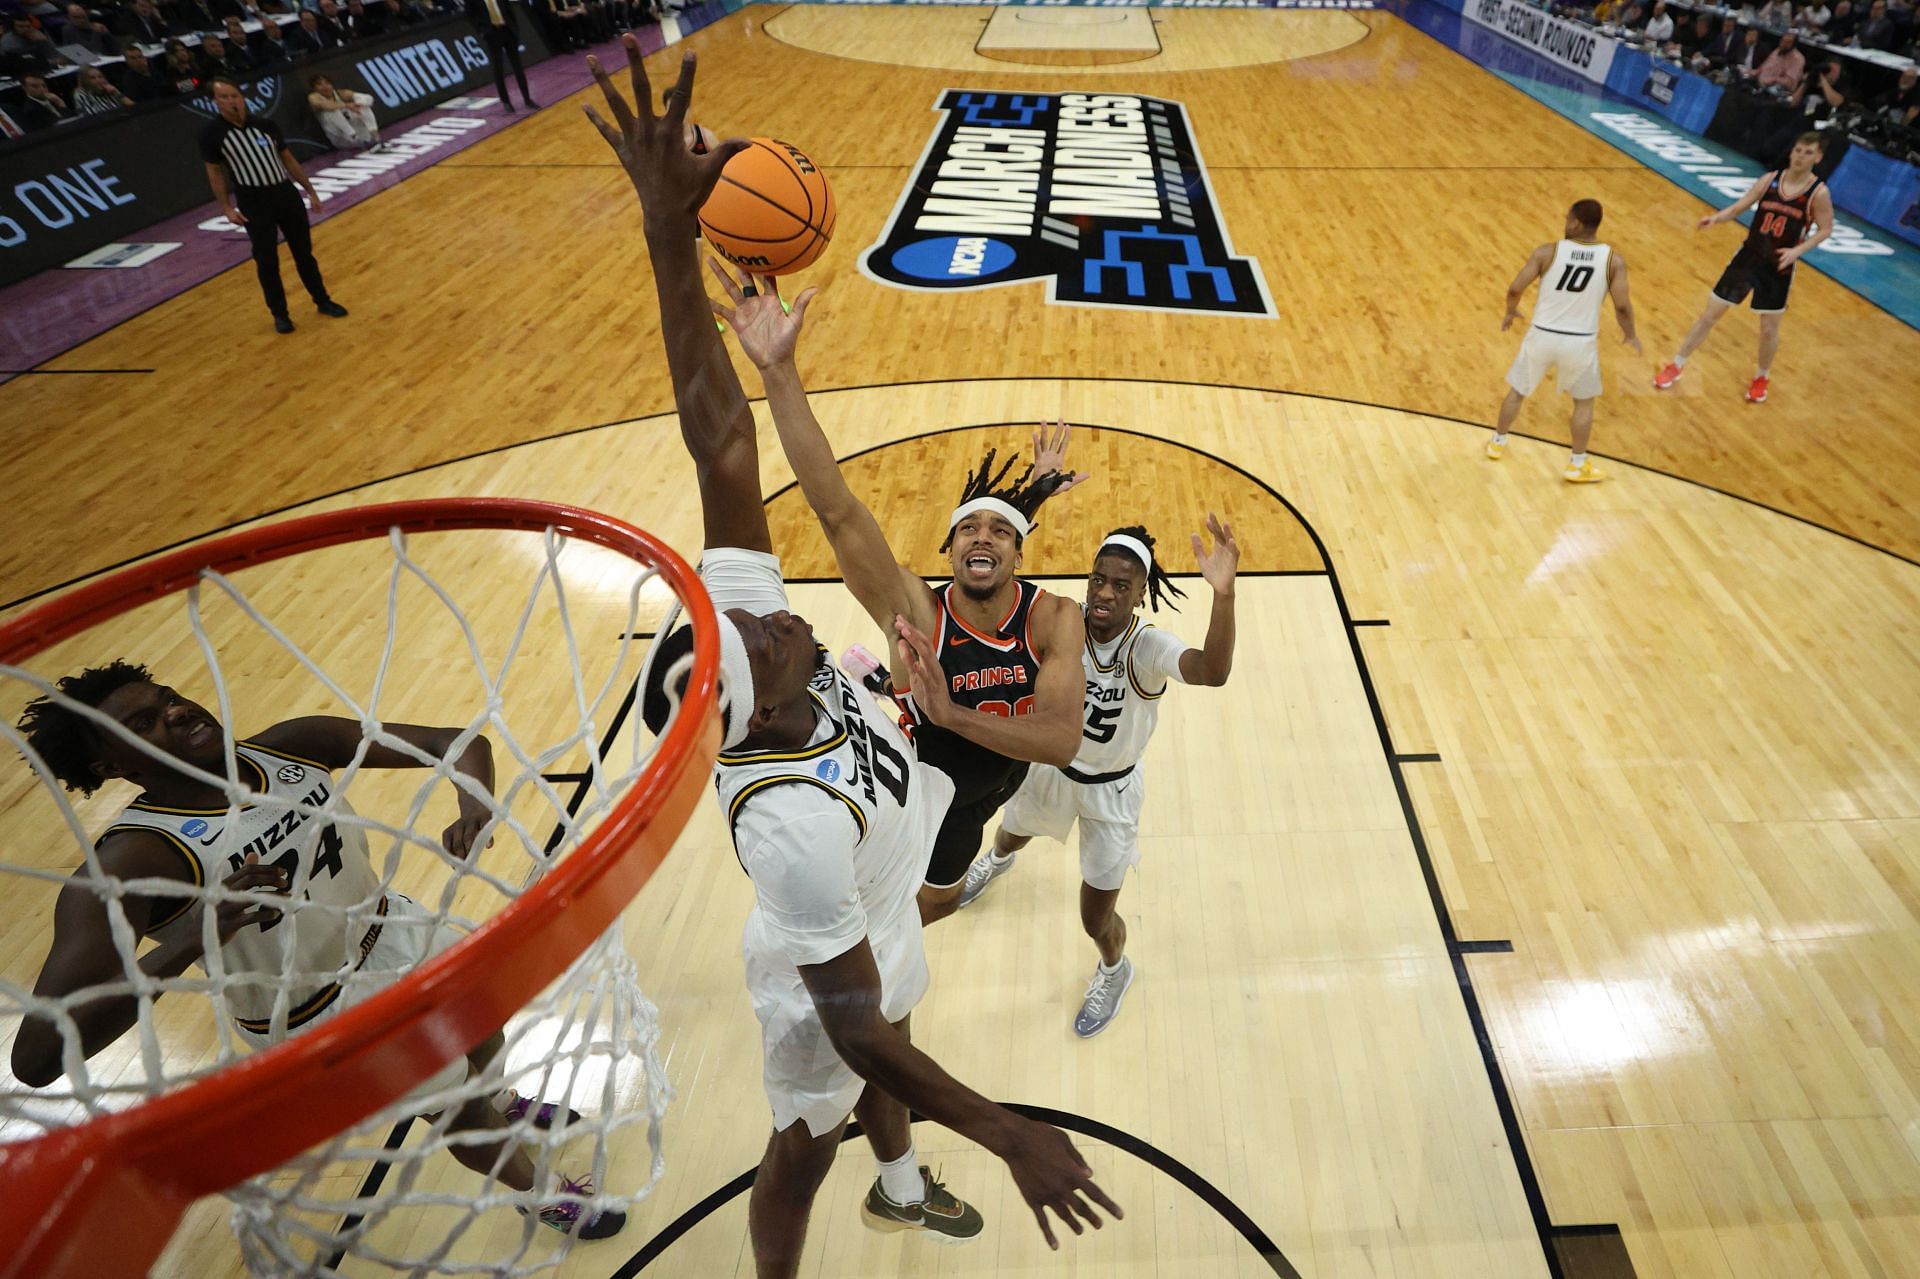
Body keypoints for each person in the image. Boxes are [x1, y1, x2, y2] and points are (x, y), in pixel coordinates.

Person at [585, 39, 1121, 1274]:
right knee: (800, 1145)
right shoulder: (788, 825)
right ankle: (800, 1248)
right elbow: (859, 1028)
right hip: (834, 947)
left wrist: (682, 251)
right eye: (772, 641)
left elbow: (726, 457)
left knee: (898, 1015)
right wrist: (1004, 1129)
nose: (788, 620)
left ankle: (899, 1177)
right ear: (739, 706)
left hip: (904, 874)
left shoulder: (767, 664)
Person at [9, 663, 628, 1241]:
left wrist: (475, 804)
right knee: (456, 1110)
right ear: (112, 763)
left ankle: (503, 1102)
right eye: (141, 723)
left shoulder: (289, 745)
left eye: (166, 700)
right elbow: (39, 1054)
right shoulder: (132, 859)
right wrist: (194, 937)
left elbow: (459, 742)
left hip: (391, 925)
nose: (172, 713)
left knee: (482, 1027)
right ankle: (539, 1192)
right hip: (313, 1008)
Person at [959, 519, 1239, 1038]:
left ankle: (1115, 969)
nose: (1105, 593)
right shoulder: (1064, 621)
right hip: (1052, 765)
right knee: (1012, 829)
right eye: (1098, 580)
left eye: (1122, 585)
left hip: (1111, 789)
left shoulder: (1148, 646)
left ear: (1140, 594)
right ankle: (996, 863)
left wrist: (1223, 597)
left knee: (1094, 918)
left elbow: (1211, 671)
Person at [1654, 132, 1834, 404]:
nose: (1800, 156)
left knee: (1768, 329)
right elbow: (1739, 207)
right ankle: (1677, 364)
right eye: (1797, 150)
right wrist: (1716, 218)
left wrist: (1798, 251)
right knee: (1710, 314)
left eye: (1807, 152)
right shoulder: (1769, 180)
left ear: (1818, 157)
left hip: (1778, 267)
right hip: (1748, 257)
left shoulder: (1818, 193)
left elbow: (1826, 229)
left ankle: (1762, 377)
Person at [1486, 200, 1640, 482]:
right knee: (1583, 403)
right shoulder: (1613, 261)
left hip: (1542, 334)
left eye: (1567, 218)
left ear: (1576, 223)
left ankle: (1497, 442)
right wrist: (1630, 333)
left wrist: (1511, 311)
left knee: (1517, 392)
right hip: (1579, 342)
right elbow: (1622, 306)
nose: (1564, 222)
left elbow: (1515, 288)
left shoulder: (1548, 252)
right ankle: (1576, 463)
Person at [199, 77, 348, 333]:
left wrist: (309, 189)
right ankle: (280, 314)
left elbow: (287, 159)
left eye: (234, 95)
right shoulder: (212, 134)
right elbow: (214, 173)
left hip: (284, 193)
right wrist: (226, 207)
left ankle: (323, 300)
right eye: (224, 97)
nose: (231, 101)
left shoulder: (265, 125)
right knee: (267, 261)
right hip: (253, 200)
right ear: (215, 102)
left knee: (304, 253)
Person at [464, 0, 534, 112]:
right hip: (492, 34)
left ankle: (527, 99)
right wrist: (482, 32)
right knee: (498, 70)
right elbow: (470, 16)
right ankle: (506, 102)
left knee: (518, 67)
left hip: (507, 30)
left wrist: (515, 29)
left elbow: (509, 9)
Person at [309, 71, 382, 150]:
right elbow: (327, 106)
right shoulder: (314, 97)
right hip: (341, 138)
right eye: (319, 84)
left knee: (362, 105)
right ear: (314, 88)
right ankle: (354, 137)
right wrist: (347, 105)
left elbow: (368, 98)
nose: (325, 87)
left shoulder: (341, 93)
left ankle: (375, 136)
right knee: (332, 110)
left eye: (327, 83)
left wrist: (359, 103)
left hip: (361, 133)